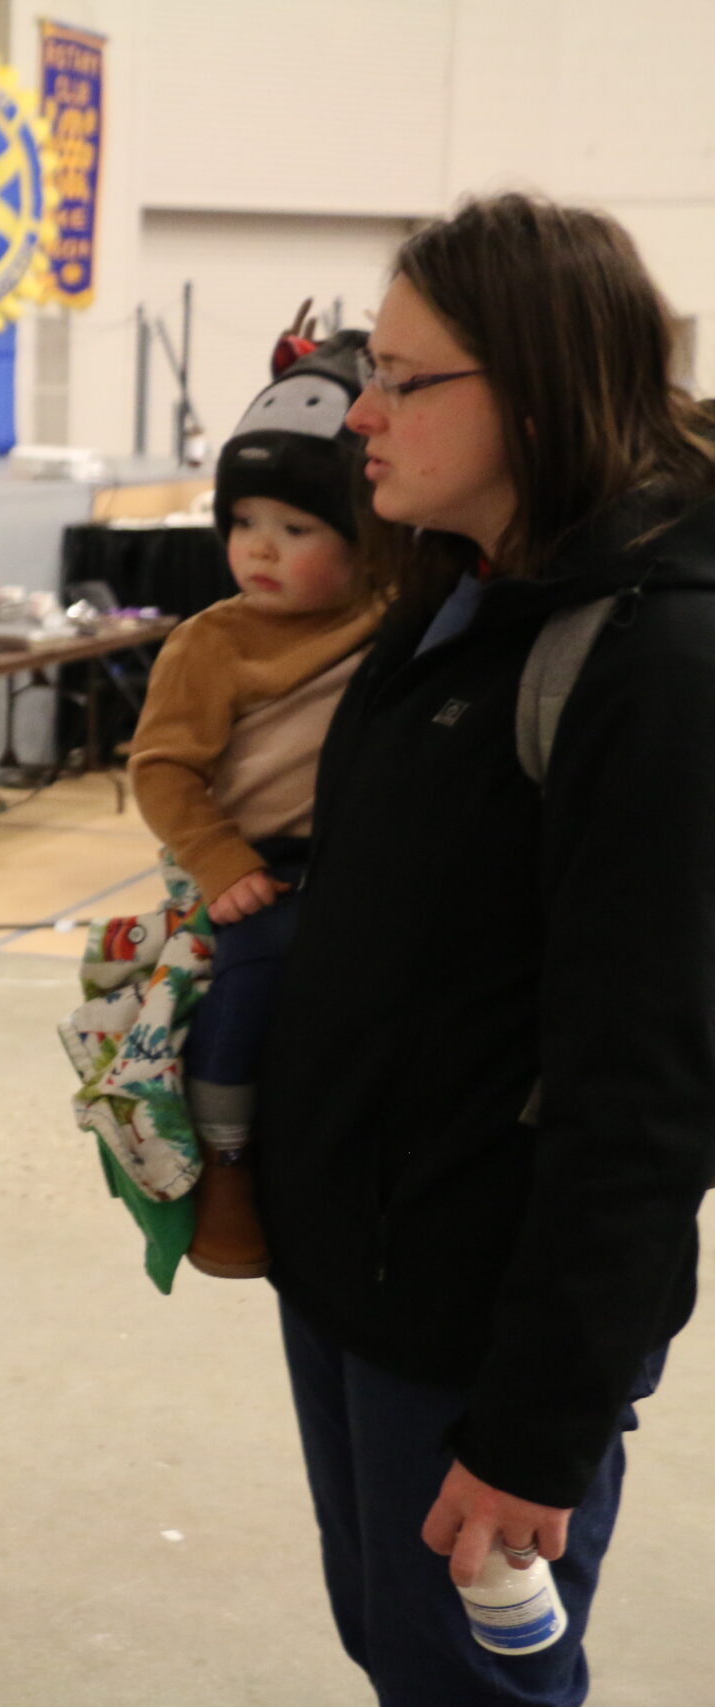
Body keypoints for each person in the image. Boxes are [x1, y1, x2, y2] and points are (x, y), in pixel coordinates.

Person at [258, 194, 715, 1703]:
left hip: (479, 1320)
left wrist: (535, 1426)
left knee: (471, 1685)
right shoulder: (456, 593)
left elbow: (645, 1090)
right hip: (362, 1274)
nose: (360, 411)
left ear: (535, 384)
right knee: (400, 1652)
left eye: (402, 376)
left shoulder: (649, 660)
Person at [126, 326, 381, 1281]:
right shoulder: (212, 644)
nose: (258, 549)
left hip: (359, 858)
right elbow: (161, 769)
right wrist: (221, 859)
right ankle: (226, 1158)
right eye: (243, 524)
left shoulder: (390, 613)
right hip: (256, 869)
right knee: (253, 971)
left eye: (297, 529)